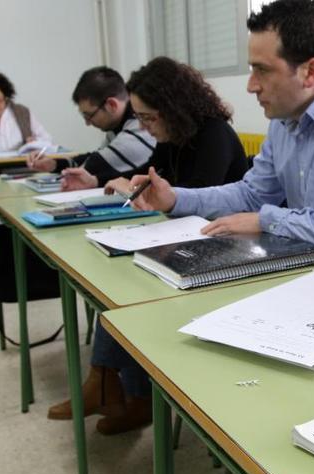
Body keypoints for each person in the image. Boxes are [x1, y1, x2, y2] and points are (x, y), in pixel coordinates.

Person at [47, 57, 248, 435]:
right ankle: (117, 387)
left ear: (173, 108)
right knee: (122, 279)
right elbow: (154, 184)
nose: (143, 126)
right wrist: (126, 185)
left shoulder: (214, 135)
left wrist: (153, 197)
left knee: (133, 287)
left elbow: (197, 204)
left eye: (149, 117)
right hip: (190, 242)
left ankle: (119, 389)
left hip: (228, 248)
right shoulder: (171, 137)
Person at [129, 0, 314, 254]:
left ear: (310, 72)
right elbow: (251, 195)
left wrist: (265, 219)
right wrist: (175, 198)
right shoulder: (286, 120)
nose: (250, 86)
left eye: (262, 70)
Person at [26, 66, 156, 192]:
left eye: (89, 115)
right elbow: (95, 157)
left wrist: (87, 177)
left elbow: (92, 166)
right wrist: (53, 164)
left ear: (111, 105)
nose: (87, 123)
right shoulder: (118, 125)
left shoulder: (137, 125)